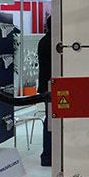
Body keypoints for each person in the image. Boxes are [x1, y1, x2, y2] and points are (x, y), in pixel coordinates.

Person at [37, 15, 52, 167]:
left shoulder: (44, 41)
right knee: (51, 122)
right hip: (51, 88)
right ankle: (47, 156)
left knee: (50, 120)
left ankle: (48, 156)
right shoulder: (51, 42)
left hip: (47, 87)